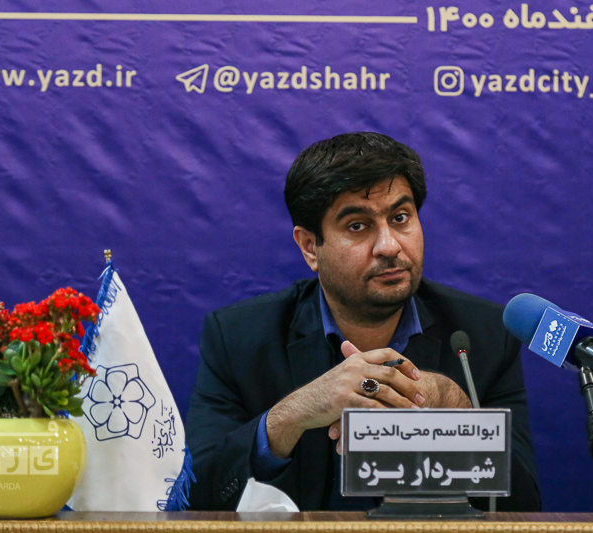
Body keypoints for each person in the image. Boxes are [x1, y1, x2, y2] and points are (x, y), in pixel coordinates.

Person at [185, 132, 540, 511]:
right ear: (310, 247)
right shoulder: (239, 338)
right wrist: (290, 417)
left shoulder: (481, 336)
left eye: (400, 218)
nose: (389, 245)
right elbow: (194, 499)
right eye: (358, 225)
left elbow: (522, 510)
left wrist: (458, 413)